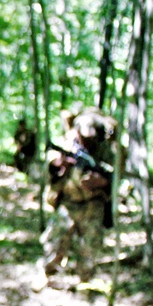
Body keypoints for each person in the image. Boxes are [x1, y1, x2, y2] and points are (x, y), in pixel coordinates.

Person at [41, 106, 120, 283]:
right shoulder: (66, 144)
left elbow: (118, 174)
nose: (87, 142)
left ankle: (86, 281)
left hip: (94, 204)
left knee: (90, 247)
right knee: (55, 242)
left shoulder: (107, 150)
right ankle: (48, 275)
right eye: (84, 137)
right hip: (68, 203)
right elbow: (48, 168)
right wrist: (57, 166)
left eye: (92, 138)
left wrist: (104, 182)